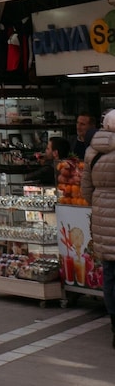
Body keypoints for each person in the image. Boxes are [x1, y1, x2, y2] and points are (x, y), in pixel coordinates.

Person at [80, 110, 115, 348]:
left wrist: (102, 203)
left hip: (103, 222)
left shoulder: (92, 151)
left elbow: (85, 191)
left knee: (111, 276)